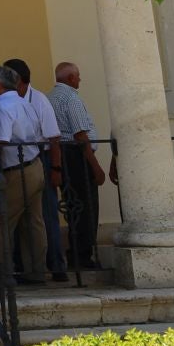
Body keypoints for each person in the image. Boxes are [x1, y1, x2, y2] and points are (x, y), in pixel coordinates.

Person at [5, 56, 66, 282]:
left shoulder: (39, 100)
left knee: (46, 214)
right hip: (17, 162)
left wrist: (56, 168)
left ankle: (56, 264)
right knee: (26, 218)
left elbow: (54, 137)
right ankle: (26, 266)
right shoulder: (9, 100)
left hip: (42, 158)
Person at [0, 63, 48, 285]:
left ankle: (2, 274)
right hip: (35, 165)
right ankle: (37, 270)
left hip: (16, 170)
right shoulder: (25, 103)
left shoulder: (2, 107)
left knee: (0, 221)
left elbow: (2, 139)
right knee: (33, 222)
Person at [46, 60, 107, 270]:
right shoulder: (71, 98)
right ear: (71, 78)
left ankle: (75, 253)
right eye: (78, 76)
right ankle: (82, 255)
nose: (79, 79)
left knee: (72, 205)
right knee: (86, 205)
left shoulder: (50, 97)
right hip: (75, 155)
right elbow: (81, 135)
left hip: (61, 155)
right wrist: (96, 167)